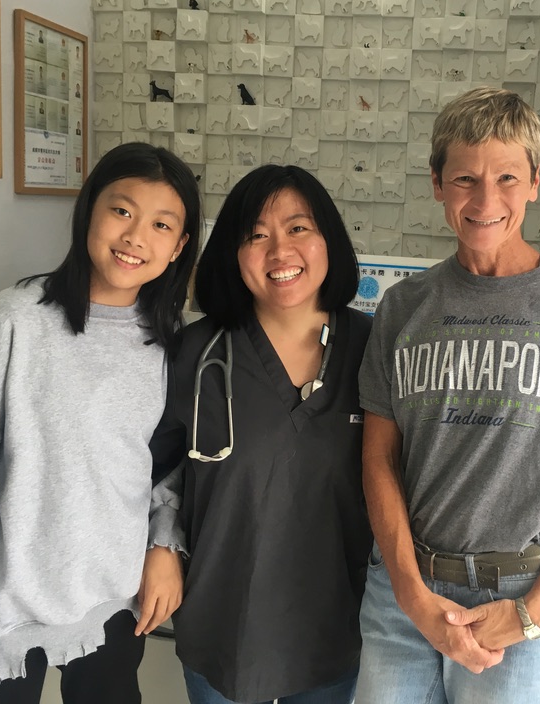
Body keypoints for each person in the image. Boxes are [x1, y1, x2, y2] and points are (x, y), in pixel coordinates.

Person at [354, 87, 540, 703]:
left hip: (520, 593)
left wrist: (531, 613)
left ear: (535, 182)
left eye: (507, 178)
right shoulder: (404, 308)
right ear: (438, 184)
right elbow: (379, 458)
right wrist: (411, 594)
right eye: (465, 179)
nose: (486, 201)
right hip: (403, 596)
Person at [0, 142, 202, 704]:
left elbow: (173, 462)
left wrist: (164, 545)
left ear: (179, 246)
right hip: (1, 614)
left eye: (161, 224)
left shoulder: (173, 340)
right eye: (122, 210)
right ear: (89, 209)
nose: (135, 237)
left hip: (113, 603)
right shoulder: (12, 321)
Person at [148, 165, 373, 704]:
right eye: (256, 235)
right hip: (223, 623)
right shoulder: (196, 353)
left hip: (337, 626)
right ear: (233, 252)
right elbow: (158, 468)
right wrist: (161, 545)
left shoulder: (375, 349)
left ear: (328, 239)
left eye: (298, 228)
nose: (279, 251)